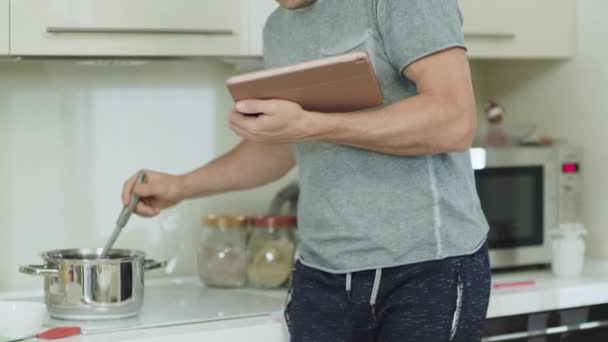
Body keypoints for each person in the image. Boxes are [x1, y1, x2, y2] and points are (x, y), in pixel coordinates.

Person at [122, 0, 491, 341]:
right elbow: (284, 145)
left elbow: (454, 120)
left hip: (426, 268)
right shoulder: (278, 29)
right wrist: (181, 186)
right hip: (322, 274)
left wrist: (313, 125)